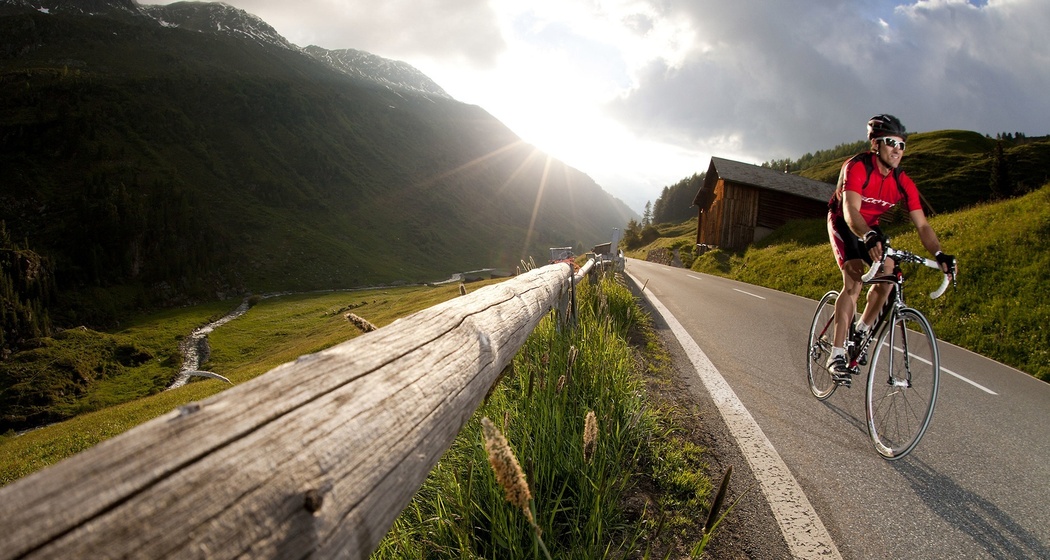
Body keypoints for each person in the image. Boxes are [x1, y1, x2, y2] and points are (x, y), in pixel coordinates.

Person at [825, 114, 957, 384]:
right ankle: (836, 354)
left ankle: (861, 329)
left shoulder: (902, 181)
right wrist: (868, 235)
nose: (897, 149)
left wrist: (940, 254)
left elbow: (922, 226)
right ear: (875, 144)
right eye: (890, 142)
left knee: (889, 273)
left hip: (870, 225)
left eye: (901, 145)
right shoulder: (858, 167)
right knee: (854, 279)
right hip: (845, 221)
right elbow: (850, 211)